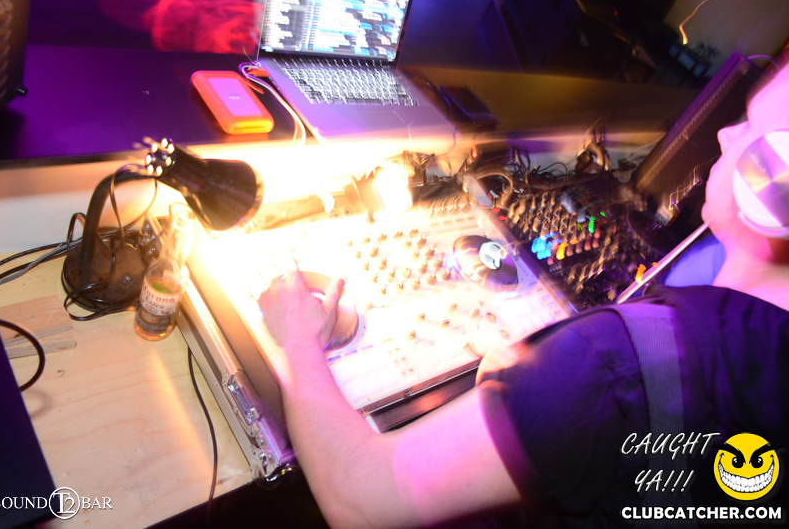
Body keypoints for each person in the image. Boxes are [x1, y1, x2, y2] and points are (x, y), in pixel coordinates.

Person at [257, 64, 789, 528]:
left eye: (750, 126)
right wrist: (535, 393)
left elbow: (359, 502)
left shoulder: (614, 365)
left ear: (776, 189)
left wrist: (299, 341)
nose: (725, 134)